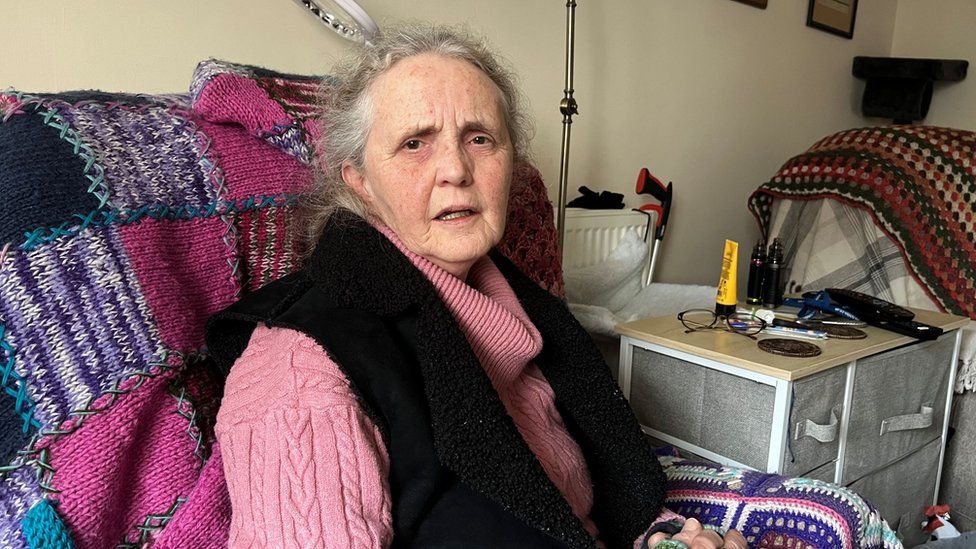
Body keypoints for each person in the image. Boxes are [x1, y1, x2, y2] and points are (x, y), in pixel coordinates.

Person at [205, 23, 747, 548]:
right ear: (361, 183)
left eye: (480, 138)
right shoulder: (301, 373)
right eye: (415, 143)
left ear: (511, 165)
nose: (456, 170)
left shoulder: (524, 308)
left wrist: (659, 538)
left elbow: (593, 499)